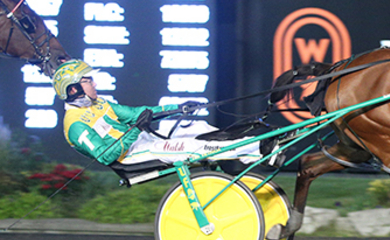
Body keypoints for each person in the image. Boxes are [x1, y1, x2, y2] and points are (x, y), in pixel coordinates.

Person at [52, 60, 272, 167]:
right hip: (130, 156)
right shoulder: (75, 125)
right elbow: (106, 156)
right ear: (73, 89)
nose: (94, 83)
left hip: (142, 140)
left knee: (197, 128)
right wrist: (136, 129)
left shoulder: (98, 103)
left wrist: (177, 108)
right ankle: (259, 149)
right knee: (190, 146)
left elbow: (137, 113)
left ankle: (250, 149)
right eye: (88, 80)